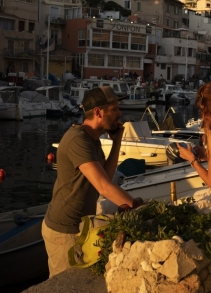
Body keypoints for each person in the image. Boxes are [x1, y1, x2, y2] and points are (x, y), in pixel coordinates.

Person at [42, 87, 139, 278]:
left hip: (80, 226)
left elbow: (106, 177)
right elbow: (104, 186)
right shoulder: (78, 140)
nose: (120, 114)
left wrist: (117, 142)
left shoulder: (93, 140)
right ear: (98, 112)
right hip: (64, 230)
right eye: (114, 109)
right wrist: (135, 206)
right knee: (63, 287)